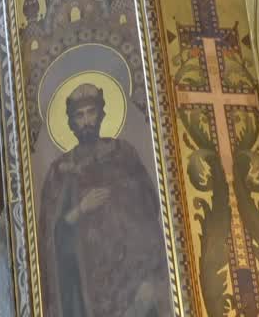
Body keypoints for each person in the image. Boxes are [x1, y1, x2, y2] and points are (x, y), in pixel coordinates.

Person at [39, 83, 170, 317]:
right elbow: (50, 235)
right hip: (88, 290)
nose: (86, 121)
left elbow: (149, 209)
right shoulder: (60, 172)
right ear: (71, 123)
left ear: (101, 114)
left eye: (91, 112)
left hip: (133, 278)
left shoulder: (123, 154)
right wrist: (80, 209)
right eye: (79, 115)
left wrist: (151, 276)